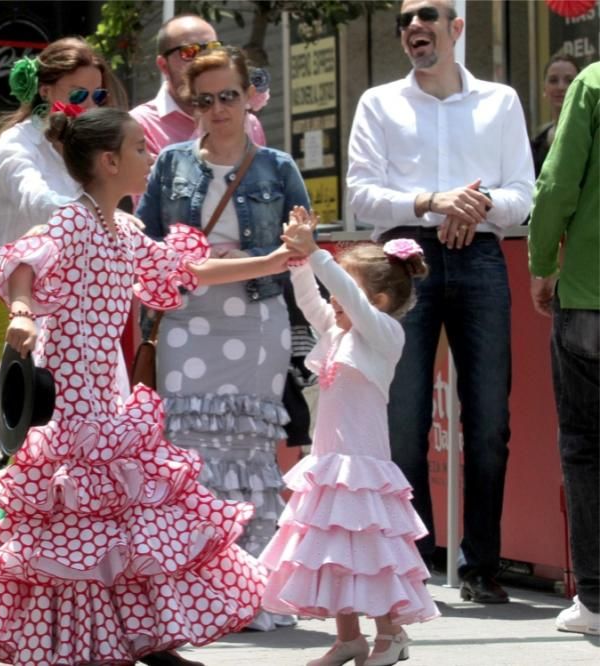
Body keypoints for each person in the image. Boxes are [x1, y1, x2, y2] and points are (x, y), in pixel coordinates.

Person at [0, 106, 301, 666]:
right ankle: (83, 645)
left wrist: (273, 259)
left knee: (130, 523)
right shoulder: (74, 221)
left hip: (108, 401)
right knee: (86, 527)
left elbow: (185, 270)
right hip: (72, 404)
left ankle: (150, 641)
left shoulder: (122, 231)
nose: (149, 157)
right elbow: (22, 259)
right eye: (139, 148)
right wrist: (21, 310)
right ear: (109, 161)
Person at [346, 0, 534, 604]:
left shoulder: (500, 100)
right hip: (404, 257)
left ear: (456, 27)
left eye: (427, 16)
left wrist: (472, 207)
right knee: (403, 418)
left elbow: (522, 196)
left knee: (488, 421)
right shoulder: (380, 102)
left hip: (480, 253)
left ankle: (482, 565)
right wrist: (433, 201)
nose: (414, 27)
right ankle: (412, 561)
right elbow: (362, 197)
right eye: (405, 20)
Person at [135, 46, 308, 632]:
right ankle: (194, 591)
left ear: (249, 94)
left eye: (227, 96)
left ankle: (252, 589)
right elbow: (150, 246)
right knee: (188, 454)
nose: (216, 109)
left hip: (257, 319)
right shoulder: (171, 163)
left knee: (252, 452)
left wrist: (286, 251)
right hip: (186, 321)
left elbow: (301, 247)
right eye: (203, 99)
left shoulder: (277, 166)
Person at [261, 208, 438, 666]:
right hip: (329, 461)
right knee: (335, 552)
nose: (333, 299)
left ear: (377, 301)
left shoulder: (384, 333)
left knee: (372, 553)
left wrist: (317, 253)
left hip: (364, 463)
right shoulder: (337, 332)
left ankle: (391, 634)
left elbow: (346, 299)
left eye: (344, 289)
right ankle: (349, 640)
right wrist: (300, 259)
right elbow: (310, 301)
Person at [0, 36, 126, 359]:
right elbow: (39, 202)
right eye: (78, 94)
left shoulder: (83, 148)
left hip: (81, 299)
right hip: (20, 297)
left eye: (98, 96)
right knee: (31, 406)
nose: (90, 106)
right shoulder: (14, 146)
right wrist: (102, 215)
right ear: (45, 91)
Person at [528, 62, 600, 637]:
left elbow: (555, 185)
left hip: (590, 295)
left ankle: (596, 601)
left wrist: (542, 263)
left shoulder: (593, 84)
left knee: (585, 446)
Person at [129, 13, 265, 159]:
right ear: (163, 65)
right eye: (189, 52)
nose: (204, 60)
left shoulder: (248, 124)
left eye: (213, 48)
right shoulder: (139, 124)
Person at [530, 54, 580, 176]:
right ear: (544, 90)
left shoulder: (593, 136)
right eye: (553, 80)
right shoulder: (536, 144)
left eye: (569, 81)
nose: (561, 87)